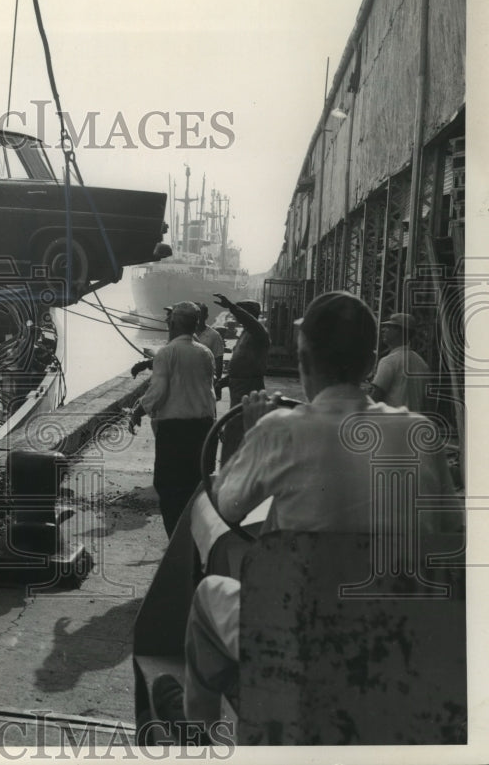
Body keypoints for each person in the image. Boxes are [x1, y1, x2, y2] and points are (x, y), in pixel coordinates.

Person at [150, 291, 458, 735]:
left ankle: (197, 730)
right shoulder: (422, 436)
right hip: (401, 640)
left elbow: (226, 504)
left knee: (208, 596)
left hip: (305, 644)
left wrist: (254, 429)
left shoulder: (279, 429)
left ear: (302, 358)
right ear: (371, 361)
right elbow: (449, 536)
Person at [128, 301, 216, 537]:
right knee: (196, 488)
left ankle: (176, 540)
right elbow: (209, 391)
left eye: (170, 319)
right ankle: (193, 540)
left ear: (174, 322)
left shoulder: (167, 353)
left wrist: (138, 410)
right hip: (205, 428)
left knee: (169, 487)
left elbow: (157, 392)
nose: (167, 322)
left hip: (175, 432)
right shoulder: (205, 352)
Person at [214, 294, 270, 463]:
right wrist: (224, 382)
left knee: (239, 430)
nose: (236, 316)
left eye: (242, 313)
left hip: (249, 389)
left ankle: (232, 470)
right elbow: (243, 364)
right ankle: (228, 467)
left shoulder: (258, 332)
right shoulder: (246, 334)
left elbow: (250, 321)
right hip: (238, 388)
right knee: (233, 429)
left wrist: (232, 306)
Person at [370, 312, 430, 412]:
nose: (384, 330)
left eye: (389, 327)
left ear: (400, 331)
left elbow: (376, 398)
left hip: (391, 424)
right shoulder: (422, 364)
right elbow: (427, 403)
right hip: (413, 423)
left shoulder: (389, 361)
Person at [194, 303, 225, 400]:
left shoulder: (214, 335)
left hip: (206, 380)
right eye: (195, 314)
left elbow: (218, 359)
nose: (198, 317)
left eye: (200, 314)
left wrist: (217, 385)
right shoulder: (186, 333)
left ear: (206, 316)